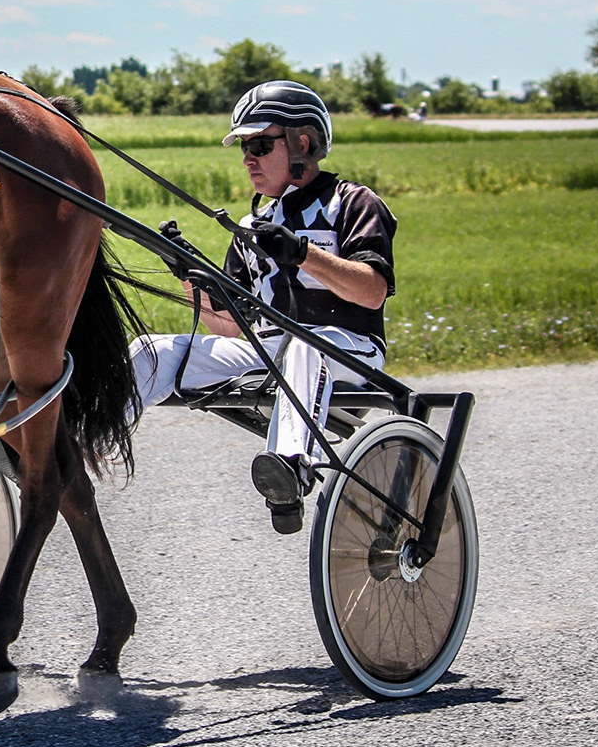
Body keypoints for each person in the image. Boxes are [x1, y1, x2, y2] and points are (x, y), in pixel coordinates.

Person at [128, 81, 397, 534]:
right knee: (151, 350)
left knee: (307, 346)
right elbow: (231, 325)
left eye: (259, 144)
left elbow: (372, 290)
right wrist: (190, 277)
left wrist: (302, 253)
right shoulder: (254, 225)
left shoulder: (352, 202)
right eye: (244, 148)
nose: (248, 158)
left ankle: (291, 468)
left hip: (351, 351)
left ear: (303, 143)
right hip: (267, 351)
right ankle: (78, 446)